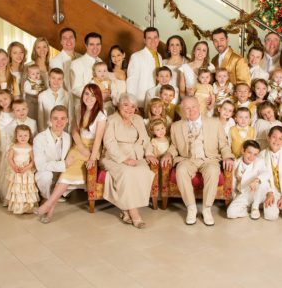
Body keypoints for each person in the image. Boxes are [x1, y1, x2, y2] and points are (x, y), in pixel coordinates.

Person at [35, 85, 106, 222]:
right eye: (86, 94)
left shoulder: (101, 116)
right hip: (78, 146)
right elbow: (74, 130)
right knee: (64, 174)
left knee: (66, 175)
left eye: (93, 95)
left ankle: (48, 207)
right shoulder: (79, 109)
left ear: (98, 98)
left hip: (92, 149)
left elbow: (98, 139)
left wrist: (91, 157)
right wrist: (80, 146)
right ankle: (49, 210)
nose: (89, 98)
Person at [161, 96, 234, 226]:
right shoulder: (176, 126)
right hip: (187, 159)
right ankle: (191, 207)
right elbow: (174, 146)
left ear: (199, 106)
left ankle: (206, 209)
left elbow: (224, 144)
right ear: (182, 110)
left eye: (193, 107)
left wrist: (227, 156)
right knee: (181, 170)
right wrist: (168, 154)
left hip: (209, 159)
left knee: (213, 170)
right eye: (187, 108)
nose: (191, 110)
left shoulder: (214, 122)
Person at [101, 93, 156, 229]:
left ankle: (125, 210)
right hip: (115, 157)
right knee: (127, 173)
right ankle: (134, 214)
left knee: (144, 171)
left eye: (132, 106)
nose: (129, 109)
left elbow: (145, 139)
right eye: (125, 105)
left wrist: (149, 153)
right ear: (119, 106)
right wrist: (124, 159)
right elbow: (109, 143)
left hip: (136, 155)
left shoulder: (138, 119)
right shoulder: (112, 120)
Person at [33, 105, 72, 201]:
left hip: (61, 175)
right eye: (55, 118)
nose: (59, 122)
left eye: (63, 118)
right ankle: (46, 196)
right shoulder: (39, 138)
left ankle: (59, 192)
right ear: (50, 120)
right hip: (46, 173)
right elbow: (40, 166)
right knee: (46, 176)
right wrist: (63, 165)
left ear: (67, 120)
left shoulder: (68, 137)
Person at [227, 140, 269, 220]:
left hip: (256, 193)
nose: (252, 157)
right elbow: (233, 182)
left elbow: (266, 173)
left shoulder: (259, 162)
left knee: (263, 182)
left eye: (255, 154)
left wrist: (256, 180)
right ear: (243, 151)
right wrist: (233, 197)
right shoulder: (236, 163)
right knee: (230, 213)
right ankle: (248, 209)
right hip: (244, 193)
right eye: (249, 152)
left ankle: (255, 207)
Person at [5, 125, 39, 214]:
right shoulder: (14, 146)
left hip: (26, 170)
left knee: (27, 187)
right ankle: (17, 205)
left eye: (25, 135)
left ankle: (27, 205)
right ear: (16, 136)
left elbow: (33, 161)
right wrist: (14, 167)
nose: (23, 138)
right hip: (16, 170)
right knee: (17, 188)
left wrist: (26, 168)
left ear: (29, 136)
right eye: (20, 136)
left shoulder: (30, 147)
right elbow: (9, 158)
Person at [126, 27, 163, 108]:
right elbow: (131, 82)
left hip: (156, 102)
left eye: (155, 37)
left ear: (159, 39)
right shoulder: (136, 56)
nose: (153, 40)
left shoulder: (159, 57)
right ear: (144, 40)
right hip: (141, 103)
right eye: (149, 38)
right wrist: (132, 104)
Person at [70, 32, 102, 112]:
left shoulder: (101, 62)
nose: (95, 47)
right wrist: (96, 97)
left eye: (98, 44)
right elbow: (75, 89)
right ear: (86, 45)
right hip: (83, 108)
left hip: (101, 107)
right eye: (92, 44)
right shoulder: (76, 63)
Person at [23, 37, 51, 119]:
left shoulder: (51, 66)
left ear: (48, 49)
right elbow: (23, 89)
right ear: (35, 49)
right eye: (38, 47)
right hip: (32, 104)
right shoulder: (28, 66)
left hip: (47, 103)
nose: (42, 50)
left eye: (44, 47)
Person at [37, 68, 70, 132]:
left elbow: (69, 115)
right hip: (47, 131)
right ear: (49, 78)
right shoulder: (42, 95)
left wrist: (68, 132)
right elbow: (40, 118)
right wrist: (42, 132)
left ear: (62, 80)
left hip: (63, 130)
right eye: (53, 78)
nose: (56, 81)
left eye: (59, 79)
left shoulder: (67, 95)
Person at [49, 27, 79, 92]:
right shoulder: (55, 61)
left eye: (71, 37)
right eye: (65, 38)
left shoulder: (81, 57)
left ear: (75, 40)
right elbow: (58, 86)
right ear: (61, 42)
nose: (68, 40)